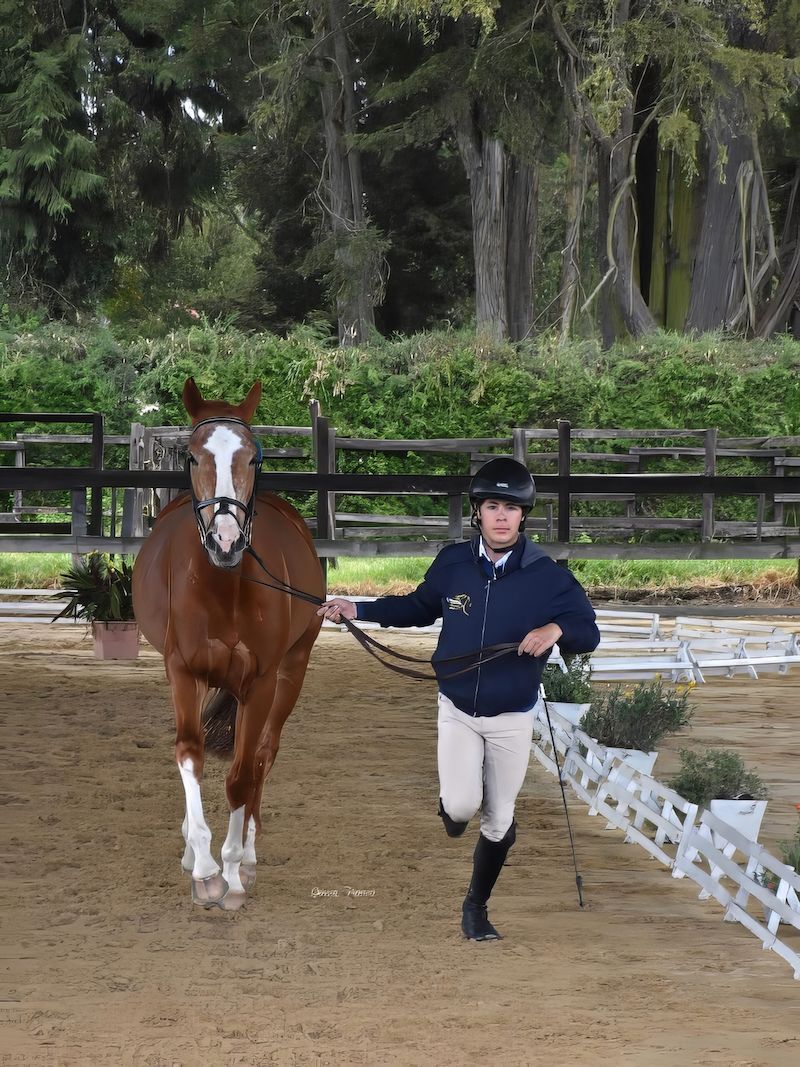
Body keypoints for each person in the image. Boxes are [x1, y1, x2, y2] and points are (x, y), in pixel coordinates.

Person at [318, 457, 600, 941]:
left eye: (511, 508)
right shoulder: (452, 563)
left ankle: (476, 907)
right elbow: (417, 607)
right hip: (458, 710)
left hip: (512, 715)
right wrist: (355, 608)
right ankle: (454, 808)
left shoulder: (549, 577)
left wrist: (556, 629)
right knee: (462, 807)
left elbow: (588, 632)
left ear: (524, 515)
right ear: (477, 513)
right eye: (492, 507)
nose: (501, 517)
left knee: (499, 820)